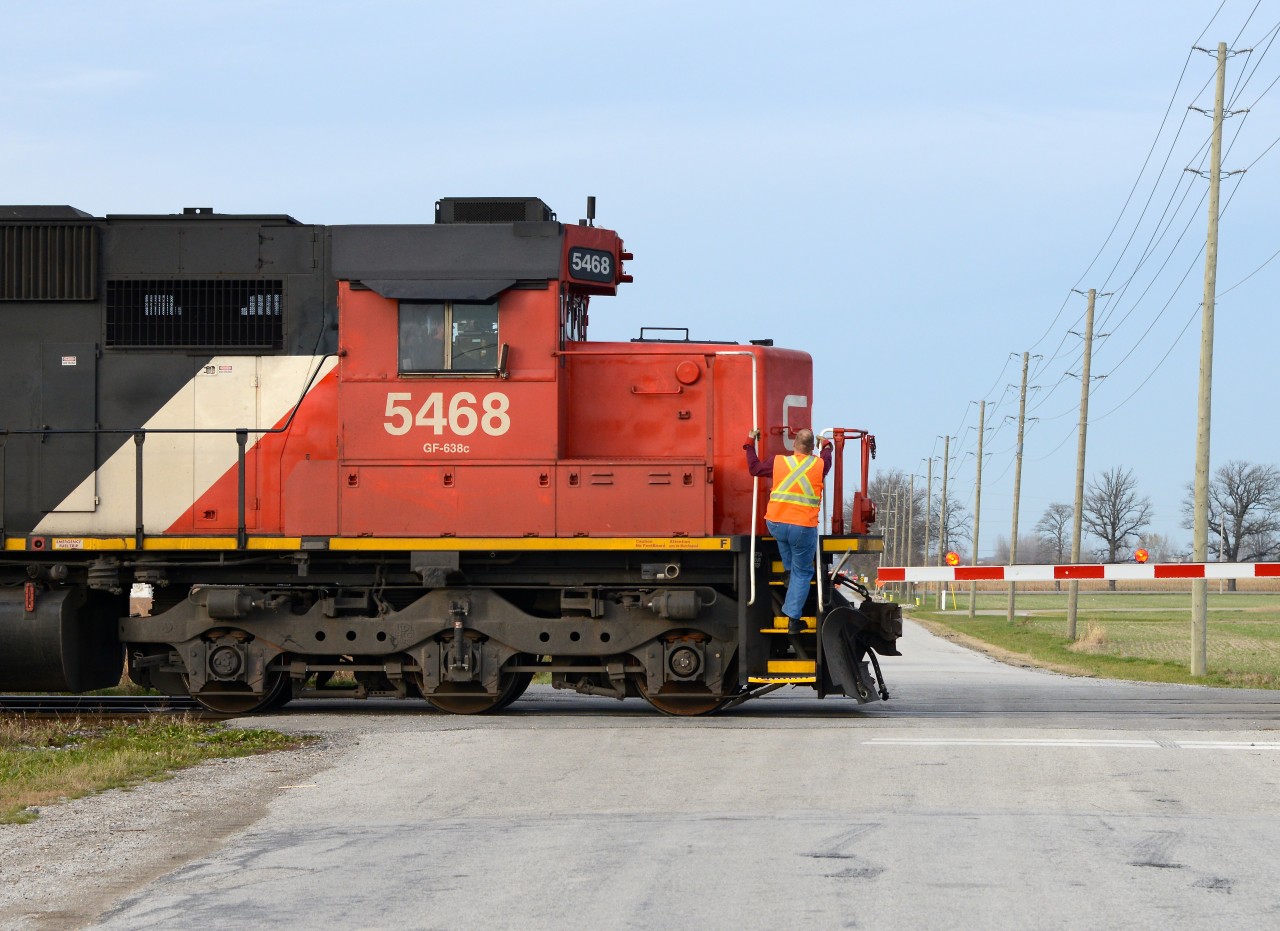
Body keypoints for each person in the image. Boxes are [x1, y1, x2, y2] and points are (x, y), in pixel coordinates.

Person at [743, 427, 833, 635]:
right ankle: (793, 618)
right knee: (803, 572)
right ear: (813, 448)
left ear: (794, 445)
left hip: (775, 523)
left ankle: (787, 572)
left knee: (785, 543)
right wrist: (827, 445)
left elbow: (754, 468)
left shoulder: (778, 462)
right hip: (802, 527)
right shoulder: (819, 464)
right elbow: (827, 457)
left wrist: (749, 443)